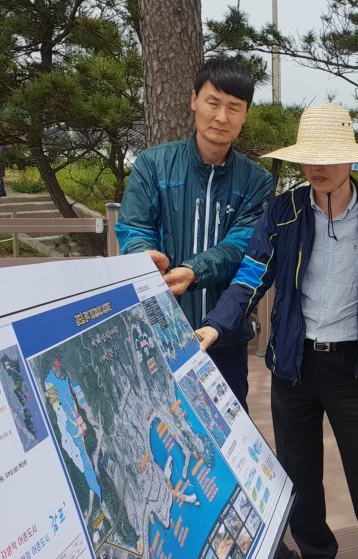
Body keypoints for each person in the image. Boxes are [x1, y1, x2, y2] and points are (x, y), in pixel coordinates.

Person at [195, 103, 358, 559]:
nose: (318, 167)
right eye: (309, 158)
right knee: (298, 470)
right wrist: (216, 322)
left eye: (329, 156)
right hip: (293, 364)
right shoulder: (284, 212)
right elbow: (251, 277)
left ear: (350, 160)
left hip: (351, 366)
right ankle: (317, 558)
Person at [115, 58, 271, 407]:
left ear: (245, 115)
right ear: (194, 100)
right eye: (213, 102)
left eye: (234, 107)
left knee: (230, 429)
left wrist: (194, 271)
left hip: (224, 337)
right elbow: (133, 226)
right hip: (159, 330)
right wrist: (145, 255)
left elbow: (242, 245)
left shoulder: (256, 180)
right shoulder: (153, 164)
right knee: (159, 422)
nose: (221, 116)